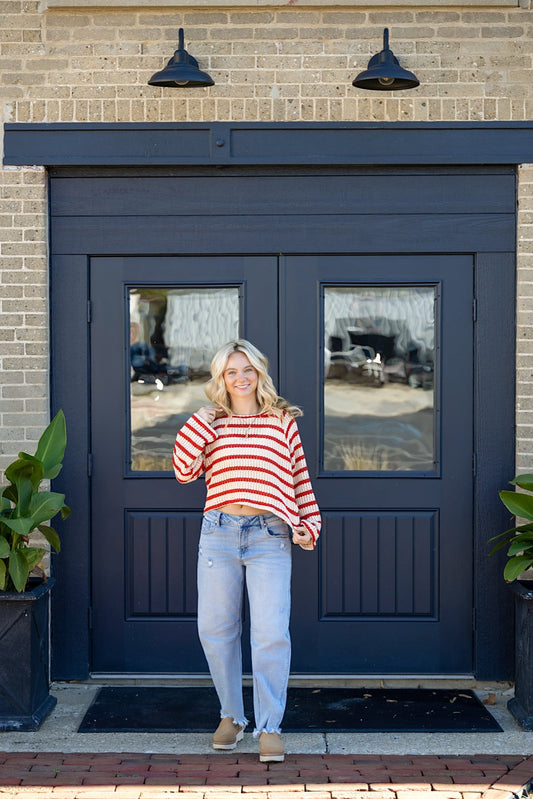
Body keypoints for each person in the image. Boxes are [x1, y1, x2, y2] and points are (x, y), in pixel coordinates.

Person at [172, 339, 321, 763]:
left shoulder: (281, 422)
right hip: (218, 531)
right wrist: (200, 422)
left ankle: (269, 726)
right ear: (221, 378)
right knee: (216, 630)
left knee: (271, 633)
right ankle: (232, 716)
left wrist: (308, 524)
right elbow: (183, 472)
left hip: (269, 535)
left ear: (259, 373)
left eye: (247, 370)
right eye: (231, 372)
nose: (240, 378)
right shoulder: (211, 422)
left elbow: (299, 479)